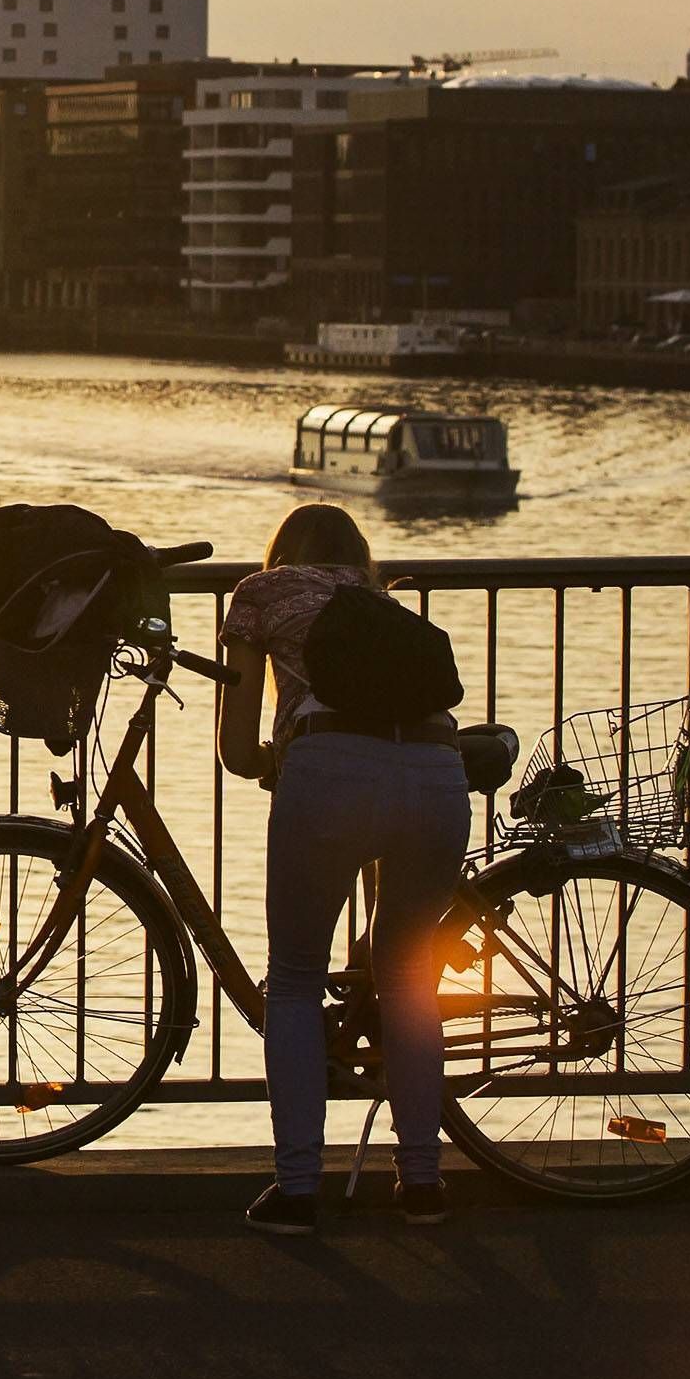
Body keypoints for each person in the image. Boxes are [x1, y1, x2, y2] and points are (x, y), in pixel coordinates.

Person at [216, 502, 463, 1233]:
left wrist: (272, 762)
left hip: (326, 772)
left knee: (295, 978)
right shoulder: (375, 600)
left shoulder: (258, 594)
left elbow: (236, 748)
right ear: (361, 555)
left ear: (280, 551)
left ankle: (298, 1190)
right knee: (411, 975)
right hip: (437, 775)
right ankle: (422, 1182)